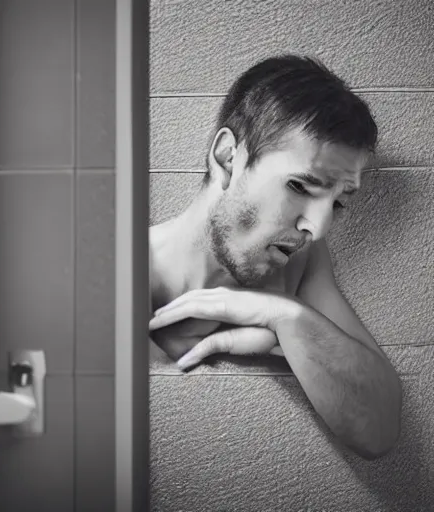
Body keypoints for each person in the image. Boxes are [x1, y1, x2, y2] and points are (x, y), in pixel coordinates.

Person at [148, 55, 402, 460]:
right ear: (229, 158)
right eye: (300, 186)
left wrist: (282, 316)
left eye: (337, 205)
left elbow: (380, 428)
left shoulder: (301, 264)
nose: (317, 229)